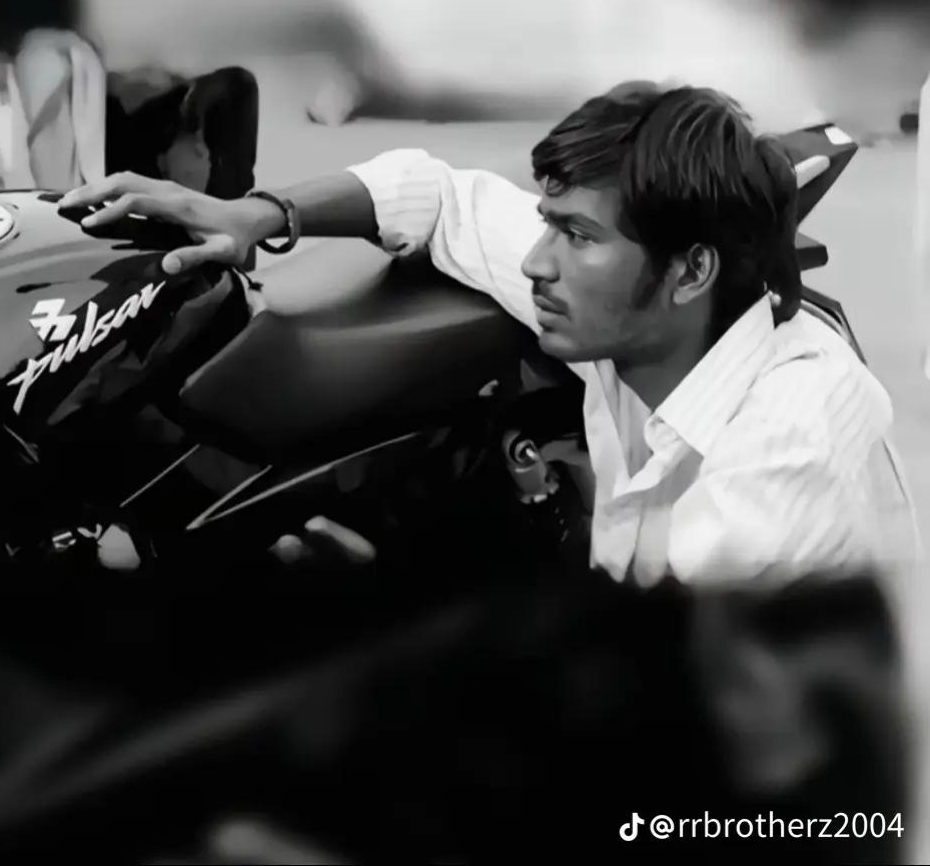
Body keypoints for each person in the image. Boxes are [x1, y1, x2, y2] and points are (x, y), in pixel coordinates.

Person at [61, 80, 920, 588]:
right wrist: (256, 214)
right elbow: (438, 197)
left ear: (692, 270)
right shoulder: (643, 312)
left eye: (577, 236)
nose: (539, 262)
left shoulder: (787, 442)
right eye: (549, 224)